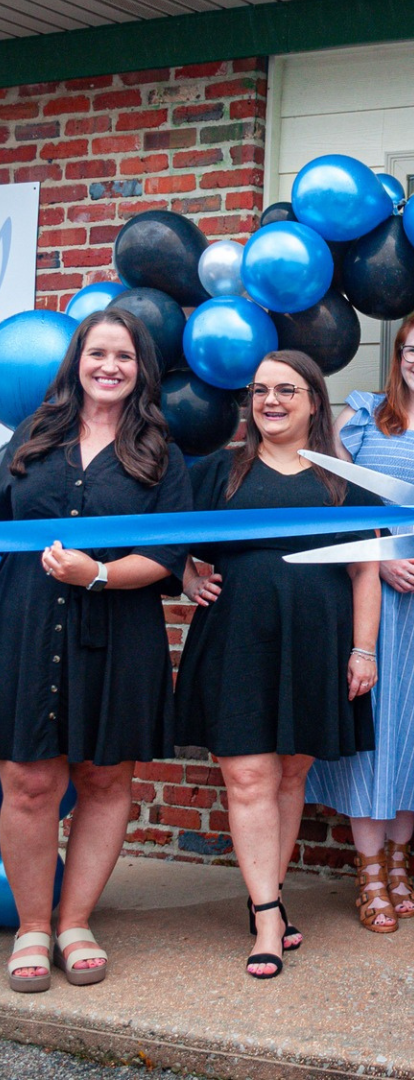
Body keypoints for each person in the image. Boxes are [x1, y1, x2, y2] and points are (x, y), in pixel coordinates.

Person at [0, 308, 190, 992]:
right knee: (28, 783)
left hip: (118, 630)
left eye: (125, 356)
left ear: (141, 371)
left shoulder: (159, 453)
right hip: (25, 627)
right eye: (97, 353)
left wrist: (100, 573)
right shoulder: (32, 435)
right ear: (76, 361)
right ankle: (32, 928)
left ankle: (76, 922)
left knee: (106, 778)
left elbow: (169, 555)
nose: (109, 366)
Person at [175, 350, 381, 979]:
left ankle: (268, 893)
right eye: (260, 390)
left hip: (315, 643)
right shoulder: (220, 472)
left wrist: (363, 649)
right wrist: (186, 575)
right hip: (236, 639)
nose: (271, 401)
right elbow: (173, 541)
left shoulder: (345, 478)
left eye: (286, 390)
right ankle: (267, 914)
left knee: (291, 774)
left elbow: (365, 571)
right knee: (248, 777)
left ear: (315, 401)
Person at [306, 313, 414, 934]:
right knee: (375, 732)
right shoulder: (362, 420)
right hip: (376, 604)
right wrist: (380, 564)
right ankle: (370, 872)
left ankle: (402, 864)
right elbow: (330, 501)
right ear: (398, 356)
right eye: (412, 350)